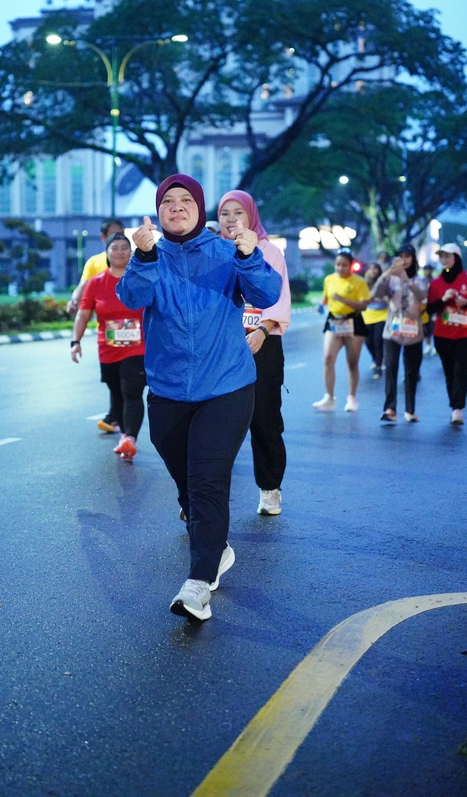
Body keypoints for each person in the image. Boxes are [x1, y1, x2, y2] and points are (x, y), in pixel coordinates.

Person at [117, 175, 281, 622]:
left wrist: (249, 256)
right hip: (168, 389)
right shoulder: (151, 255)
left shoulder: (227, 252)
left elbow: (268, 294)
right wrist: (143, 256)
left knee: (207, 479)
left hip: (226, 385)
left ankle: (198, 583)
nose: (176, 206)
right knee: (186, 479)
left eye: (185, 200)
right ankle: (214, 542)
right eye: (167, 201)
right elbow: (131, 298)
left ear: (200, 207)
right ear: (158, 212)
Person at [217, 190, 292, 517]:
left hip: (263, 344)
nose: (231, 219)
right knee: (215, 424)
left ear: (251, 215)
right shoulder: (213, 251)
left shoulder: (270, 252)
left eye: (238, 212)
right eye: (225, 213)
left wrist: (262, 329)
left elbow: (279, 298)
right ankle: (200, 496)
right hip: (220, 348)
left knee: (264, 420)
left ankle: (270, 488)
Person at [70, 233, 146, 461]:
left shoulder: (141, 279)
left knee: (131, 391)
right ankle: (124, 435)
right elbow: (83, 314)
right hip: (108, 349)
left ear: (131, 253)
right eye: (115, 248)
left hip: (138, 348)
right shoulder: (96, 283)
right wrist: (75, 341)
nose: (120, 252)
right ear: (107, 253)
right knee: (117, 392)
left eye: (124, 247)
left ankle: (130, 437)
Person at [67, 218, 125, 433]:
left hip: (136, 334)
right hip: (108, 332)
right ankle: (116, 416)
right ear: (103, 238)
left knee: (130, 380)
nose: (118, 245)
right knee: (115, 377)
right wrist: (74, 300)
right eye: (112, 235)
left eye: (121, 233)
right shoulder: (95, 263)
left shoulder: (132, 259)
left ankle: (120, 423)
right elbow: (84, 286)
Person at [426, 242, 467, 425]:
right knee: (450, 371)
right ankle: (454, 405)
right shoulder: (436, 282)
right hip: (443, 333)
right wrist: (443, 300)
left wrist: (466, 303)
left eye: (447, 256)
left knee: (461, 369)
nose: (444, 259)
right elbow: (430, 309)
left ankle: (458, 407)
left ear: (457, 258)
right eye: (441, 256)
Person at [371, 245, 428, 423]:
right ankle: (390, 408)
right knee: (391, 367)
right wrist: (384, 276)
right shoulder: (390, 279)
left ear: (413, 258)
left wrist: (407, 280)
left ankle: (410, 410)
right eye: (400, 256)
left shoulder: (420, 280)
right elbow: (376, 295)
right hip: (392, 330)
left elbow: (423, 298)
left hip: (413, 331)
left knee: (411, 371)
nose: (404, 260)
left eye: (407, 256)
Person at [313, 248, 371, 413]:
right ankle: (329, 397)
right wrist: (321, 305)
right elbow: (326, 297)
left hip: (353, 321)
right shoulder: (329, 279)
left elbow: (364, 305)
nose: (340, 268)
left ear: (351, 265)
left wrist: (343, 300)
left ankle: (352, 397)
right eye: (337, 265)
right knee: (328, 358)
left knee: (352, 362)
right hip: (334, 321)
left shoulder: (359, 282)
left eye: (344, 265)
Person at [362, 262, 387, 379]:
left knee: (378, 341)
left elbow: (389, 297)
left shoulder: (384, 282)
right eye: (370, 268)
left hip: (382, 315)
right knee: (368, 342)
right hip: (368, 316)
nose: (373, 271)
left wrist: (383, 298)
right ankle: (376, 357)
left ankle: (378, 366)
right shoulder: (363, 283)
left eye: (376, 268)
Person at [420, 264, 436, 354]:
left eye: (429, 269)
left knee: (433, 326)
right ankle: (428, 345)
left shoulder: (435, 280)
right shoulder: (421, 280)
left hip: (433, 305)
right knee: (425, 326)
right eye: (426, 269)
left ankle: (434, 346)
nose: (428, 271)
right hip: (423, 306)